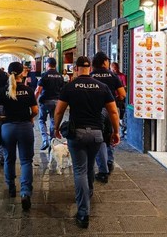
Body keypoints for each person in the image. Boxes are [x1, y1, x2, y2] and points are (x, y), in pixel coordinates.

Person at [54, 56, 120, 229]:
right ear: (89, 68)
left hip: (77, 134)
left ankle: (83, 213)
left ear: (76, 68)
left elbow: (59, 110)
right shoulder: (102, 86)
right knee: (90, 167)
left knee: (80, 171)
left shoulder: (70, 86)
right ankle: (88, 193)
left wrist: (56, 128)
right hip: (97, 134)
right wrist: (116, 132)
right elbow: (113, 112)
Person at [0, 62, 38, 210]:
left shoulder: (2, 91)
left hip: (7, 128)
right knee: (26, 161)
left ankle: (11, 187)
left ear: (9, 73)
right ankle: (25, 192)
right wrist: (30, 118)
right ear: (22, 73)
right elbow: (35, 110)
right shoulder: (28, 91)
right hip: (25, 128)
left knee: (9, 159)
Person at [90, 52, 126, 183]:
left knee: (100, 138)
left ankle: (102, 169)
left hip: (96, 110)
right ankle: (110, 161)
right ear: (104, 62)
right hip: (111, 110)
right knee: (110, 135)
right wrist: (113, 99)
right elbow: (122, 94)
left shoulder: (91, 75)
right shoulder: (113, 75)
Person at [35, 57, 64, 150]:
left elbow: (38, 90)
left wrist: (33, 101)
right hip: (57, 102)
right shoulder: (60, 76)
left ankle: (45, 140)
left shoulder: (44, 75)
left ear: (47, 65)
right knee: (53, 121)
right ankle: (52, 143)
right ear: (55, 65)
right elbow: (63, 90)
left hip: (45, 101)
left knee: (41, 120)